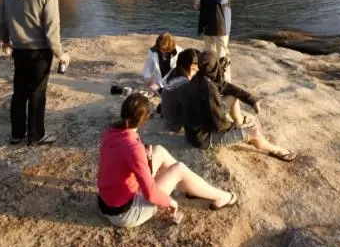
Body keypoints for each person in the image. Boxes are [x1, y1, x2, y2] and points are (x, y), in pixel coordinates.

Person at [97, 93, 238, 228]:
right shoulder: (133, 147)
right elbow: (150, 194)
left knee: (159, 151)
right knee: (179, 168)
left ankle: (191, 187)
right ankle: (221, 197)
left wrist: (146, 158)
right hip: (125, 214)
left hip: (106, 203)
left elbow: (121, 161)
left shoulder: (111, 132)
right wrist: (170, 202)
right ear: (144, 120)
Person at [0, 0, 70, 146]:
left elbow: (1, 19)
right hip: (40, 50)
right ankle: (36, 135)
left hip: (18, 47)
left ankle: (16, 134)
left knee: (19, 91)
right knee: (37, 93)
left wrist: (5, 40)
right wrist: (61, 54)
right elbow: (52, 29)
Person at [172, 51, 297, 161]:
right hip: (203, 138)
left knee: (232, 96)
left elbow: (225, 86)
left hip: (196, 129)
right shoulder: (209, 89)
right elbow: (220, 125)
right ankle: (277, 151)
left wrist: (251, 99)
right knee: (254, 132)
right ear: (215, 66)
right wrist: (235, 128)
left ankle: (240, 125)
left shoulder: (199, 77)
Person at [194, 0, 232, 80]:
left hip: (221, 26)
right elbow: (206, 5)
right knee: (209, 55)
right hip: (208, 26)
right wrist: (199, 6)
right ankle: (212, 78)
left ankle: (225, 80)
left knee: (222, 55)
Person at [159, 48, 199, 130]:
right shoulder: (183, 84)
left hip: (167, 116)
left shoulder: (174, 71)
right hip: (176, 123)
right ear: (192, 65)